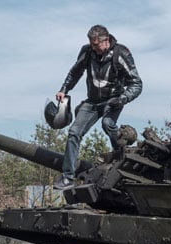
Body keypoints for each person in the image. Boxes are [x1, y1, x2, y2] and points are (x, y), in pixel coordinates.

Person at [53, 25, 143, 190]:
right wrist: (64, 89)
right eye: (91, 44)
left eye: (96, 44)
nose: (94, 48)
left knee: (108, 124)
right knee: (74, 132)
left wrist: (123, 99)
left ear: (106, 40)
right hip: (93, 101)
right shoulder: (87, 52)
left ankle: (122, 161)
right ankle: (68, 177)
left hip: (113, 100)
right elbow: (75, 73)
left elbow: (137, 84)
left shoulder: (121, 53)